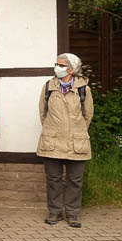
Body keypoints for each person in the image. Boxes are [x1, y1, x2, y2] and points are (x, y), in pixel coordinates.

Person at [38, 53, 94, 228]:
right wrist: (52, 129)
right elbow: (43, 114)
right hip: (52, 142)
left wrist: (76, 131)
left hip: (76, 142)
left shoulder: (84, 88)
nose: (57, 67)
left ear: (71, 69)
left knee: (75, 180)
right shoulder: (48, 87)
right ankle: (54, 212)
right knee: (53, 179)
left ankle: (72, 213)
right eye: (56, 64)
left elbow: (87, 115)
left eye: (61, 65)